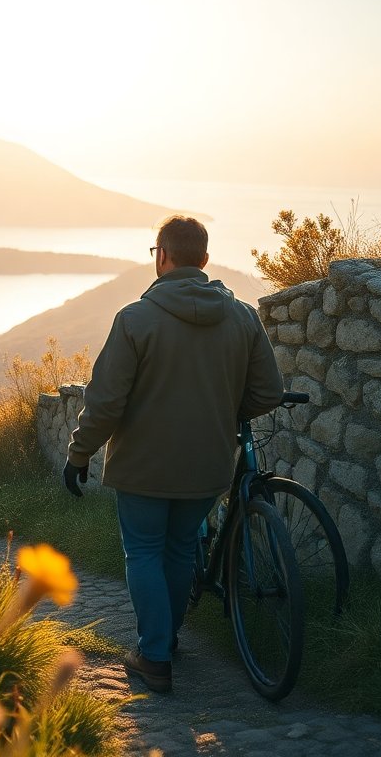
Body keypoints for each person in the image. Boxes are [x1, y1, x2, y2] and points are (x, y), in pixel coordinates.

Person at [61, 215, 283, 693]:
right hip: (208, 465)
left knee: (143, 550)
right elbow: (268, 391)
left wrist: (78, 456)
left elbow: (104, 404)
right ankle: (168, 638)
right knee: (181, 547)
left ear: (161, 257)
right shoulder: (242, 315)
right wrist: (222, 411)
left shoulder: (135, 319)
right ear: (203, 260)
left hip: (143, 465)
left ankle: (155, 655)